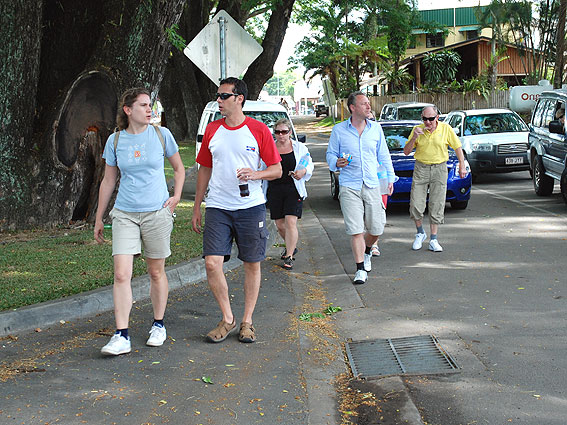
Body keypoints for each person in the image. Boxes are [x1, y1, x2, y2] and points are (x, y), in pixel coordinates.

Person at [94, 87, 185, 356]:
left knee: (156, 272)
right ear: (128, 110)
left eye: (151, 106)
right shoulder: (115, 141)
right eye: (144, 105)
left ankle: (158, 325)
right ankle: (122, 335)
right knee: (121, 273)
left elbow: (179, 169)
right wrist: (99, 217)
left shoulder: (161, 134)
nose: (149, 110)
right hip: (124, 214)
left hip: (157, 212)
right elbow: (108, 180)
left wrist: (176, 197)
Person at [192, 77, 282, 344]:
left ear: (239, 98)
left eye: (223, 96)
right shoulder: (212, 130)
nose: (218, 100)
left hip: (250, 207)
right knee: (212, 263)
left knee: (252, 264)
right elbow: (204, 169)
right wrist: (197, 206)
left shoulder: (258, 130)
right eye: (217, 96)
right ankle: (228, 318)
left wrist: (256, 174)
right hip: (218, 206)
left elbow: (276, 169)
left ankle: (247, 321)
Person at [326, 91, 395, 285]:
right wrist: (336, 162)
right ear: (353, 108)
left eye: (368, 103)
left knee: (376, 227)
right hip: (349, 185)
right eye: (364, 103)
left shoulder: (376, 129)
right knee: (355, 229)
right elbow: (330, 155)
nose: (368, 106)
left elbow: (384, 155)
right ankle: (359, 269)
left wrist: (390, 177)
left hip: (372, 183)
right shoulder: (339, 130)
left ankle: (367, 251)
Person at [403, 105, 467, 252]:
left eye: (431, 119)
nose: (428, 122)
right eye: (424, 119)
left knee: (437, 203)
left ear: (437, 117)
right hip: (421, 168)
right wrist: (414, 137)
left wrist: (461, 165)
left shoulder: (445, 128)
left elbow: (457, 147)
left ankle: (433, 239)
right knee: (415, 203)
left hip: (440, 168)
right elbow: (406, 152)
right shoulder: (417, 130)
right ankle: (420, 233)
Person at [267, 118, 314, 270]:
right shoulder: (269, 147)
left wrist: (303, 171)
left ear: (290, 132)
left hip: (293, 189)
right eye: (278, 132)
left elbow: (308, 163)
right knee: (280, 224)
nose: (281, 135)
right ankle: (291, 246)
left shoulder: (299, 147)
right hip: (274, 189)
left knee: (290, 222)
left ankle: (289, 256)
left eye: (284, 132)